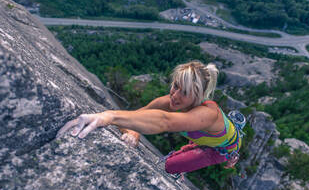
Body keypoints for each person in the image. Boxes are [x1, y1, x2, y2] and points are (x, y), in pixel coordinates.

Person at [58, 61, 244, 175]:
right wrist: (131, 130)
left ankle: (202, 151)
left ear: (199, 96)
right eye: (175, 86)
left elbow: (165, 121)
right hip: (211, 135)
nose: (175, 95)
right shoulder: (170, 102)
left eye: (184, 92)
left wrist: (110, 116)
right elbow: (136, 117)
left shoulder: (207, 114)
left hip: (223, 148)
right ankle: (197, 145)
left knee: (171, 166)